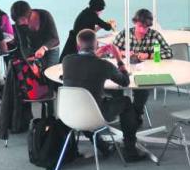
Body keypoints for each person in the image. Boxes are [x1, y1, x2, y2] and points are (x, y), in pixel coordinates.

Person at [62, 29, 146, 162]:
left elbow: (82, 69)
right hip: (95, 114)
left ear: (78, 46)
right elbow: (125, 81)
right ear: (96, 45)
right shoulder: (103, 65)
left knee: (83, 107)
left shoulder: (67, 61)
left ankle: (103, 147)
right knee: (126, 101)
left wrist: (96, 55)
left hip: (70, 113)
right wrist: (118, 59)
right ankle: (130, 150)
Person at [112, 9, 173, 116]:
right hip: (124, 71)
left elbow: (168, 53)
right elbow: (110, 52)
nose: (143, 30)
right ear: (135, 22)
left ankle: (136, 115)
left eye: (146, 27)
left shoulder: (154, 35)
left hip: (145, 72)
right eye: (140, 26)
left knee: (142, 91)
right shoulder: (125, 34)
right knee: (116, 89)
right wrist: (123, 53)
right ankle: (123, 113)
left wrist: (149, 55)